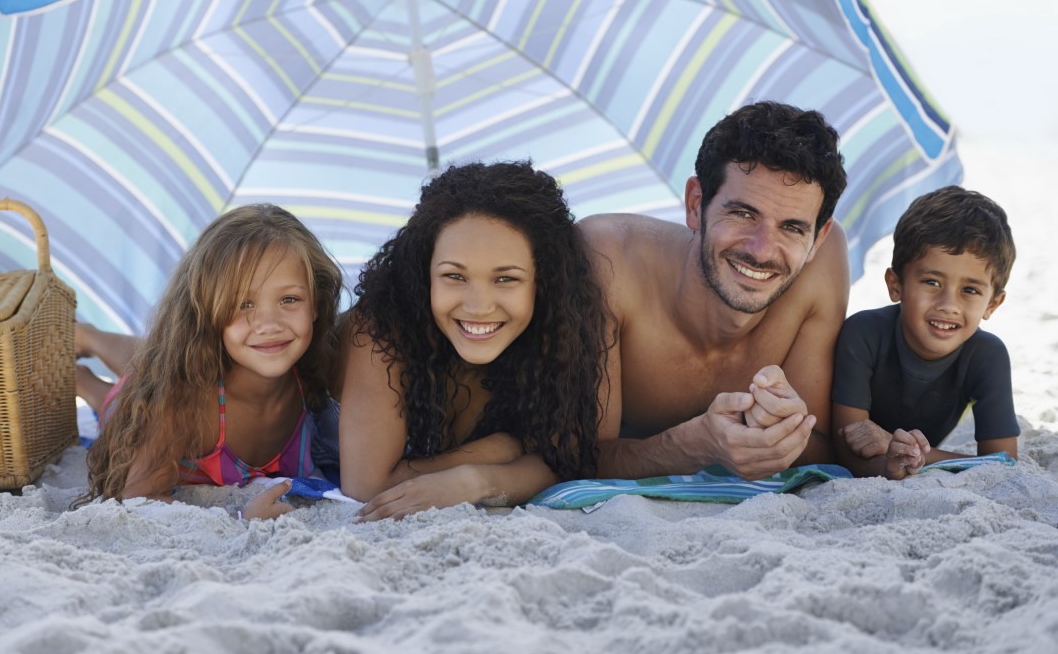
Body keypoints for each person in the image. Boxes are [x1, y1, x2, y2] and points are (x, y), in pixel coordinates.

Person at [580, 101, 850, 481]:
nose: (761, 251)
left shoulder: (824, 263)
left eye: (792, 228)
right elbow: (573, 457)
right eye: (742, 214)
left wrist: (784, 431)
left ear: (817, 238)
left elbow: (823, 445)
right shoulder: (607, 259)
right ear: (696, 204)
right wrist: (695, 444)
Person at [337, 161, 609, 520]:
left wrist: (476, 482)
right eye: (454, 276)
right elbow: (366, 488)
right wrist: (503, 448)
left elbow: (565, 457)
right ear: (424, 273)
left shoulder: (555, 332)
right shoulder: (382, 328)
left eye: (505, 279)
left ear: (542, 282)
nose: (478, 307)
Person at [73, 204, 343, 520]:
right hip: (158, 395)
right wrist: (238, 517)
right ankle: (85, 375)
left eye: (290, 299)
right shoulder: (180, 403)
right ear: (206, 313)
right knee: (131, 388)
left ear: (316, 304)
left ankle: (90, 343)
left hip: (185, 368)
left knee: (154, 358)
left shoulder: (312, 369)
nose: (270, 324)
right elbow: (138, 499)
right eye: (244, 303)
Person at [832, 186, 1018, 478]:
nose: (949, 305)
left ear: (992, 304)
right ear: (896, 285)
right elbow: (846, 448)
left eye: (970, 290)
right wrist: (889, 463)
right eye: (932, 282)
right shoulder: (863, 334)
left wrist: (909, 452)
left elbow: (1004, 462)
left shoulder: (987, 356)